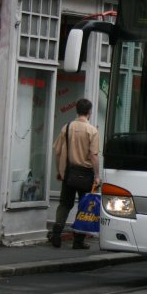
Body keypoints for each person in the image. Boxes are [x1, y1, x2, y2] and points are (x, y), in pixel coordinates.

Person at [49, 98, 100, 249]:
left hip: (69, 173)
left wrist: (60, 171)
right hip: (86, 174)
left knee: (64, 204)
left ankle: (57, 234)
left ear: (76, 110)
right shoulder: (92, 131)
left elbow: (58, 152)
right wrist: (97, 176)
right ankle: (78, 240)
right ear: (89, 112)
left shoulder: (67, 127)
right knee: (84, 206)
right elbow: (94, 156)